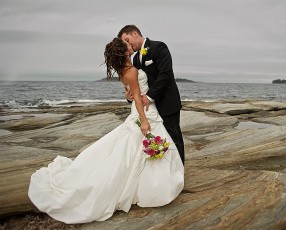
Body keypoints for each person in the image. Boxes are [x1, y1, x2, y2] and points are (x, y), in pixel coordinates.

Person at [27, 37, 184, 224]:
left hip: (146, 108)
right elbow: (135, 97)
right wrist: (143, 121)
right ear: (124, 52)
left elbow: (133, 94)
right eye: (126, 44)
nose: (130, 45)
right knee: (138, 147)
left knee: (136, 149)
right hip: (145, 113)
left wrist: (135, 98)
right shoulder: (132, 70)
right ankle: (149, 187)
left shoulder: (125, 70)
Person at [118, 25, 185, 164]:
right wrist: (129, 98)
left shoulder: (159, 47)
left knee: (174, 138)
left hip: (167, 103)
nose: (127, 44)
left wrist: (148, 97)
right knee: (155, 141)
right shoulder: (135, 59)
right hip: (149, 110)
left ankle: (180, 172)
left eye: (127, 39)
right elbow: (137, 86)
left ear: (135, 33)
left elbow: (165, 74)